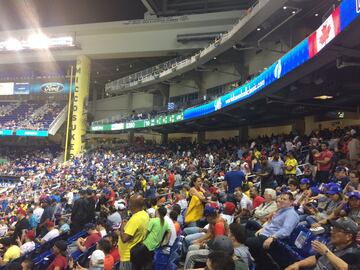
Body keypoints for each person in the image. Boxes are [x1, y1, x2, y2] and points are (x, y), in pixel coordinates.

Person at [246, 192, 299, 270]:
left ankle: (254, 263)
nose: (281, 200)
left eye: (284, 199)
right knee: (244, 233)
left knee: (247, 242)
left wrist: (273, 237)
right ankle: (258, 261)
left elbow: (286, 230)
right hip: (265, 232)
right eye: (281, 198)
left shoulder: (291, 214)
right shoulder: (281, 210)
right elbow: (271, 224)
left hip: (270, 237)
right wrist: (262, 229)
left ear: (291, 202)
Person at [285, 217, 360, 270]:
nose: (332, 232)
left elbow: (344, 268)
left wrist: (326, 252)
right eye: (333, 228)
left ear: (348, 236)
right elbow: (316, 258)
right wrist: (298, 264)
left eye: (337, 230)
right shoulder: (333, 243)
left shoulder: (354, 253)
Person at [118, 195, 149, 270]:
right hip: (135, 253)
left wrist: (122, 227)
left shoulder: (135, 219)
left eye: (129, 202)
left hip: (128, 256)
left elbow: (124, 239)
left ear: (132, 205)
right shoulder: (145, 214)